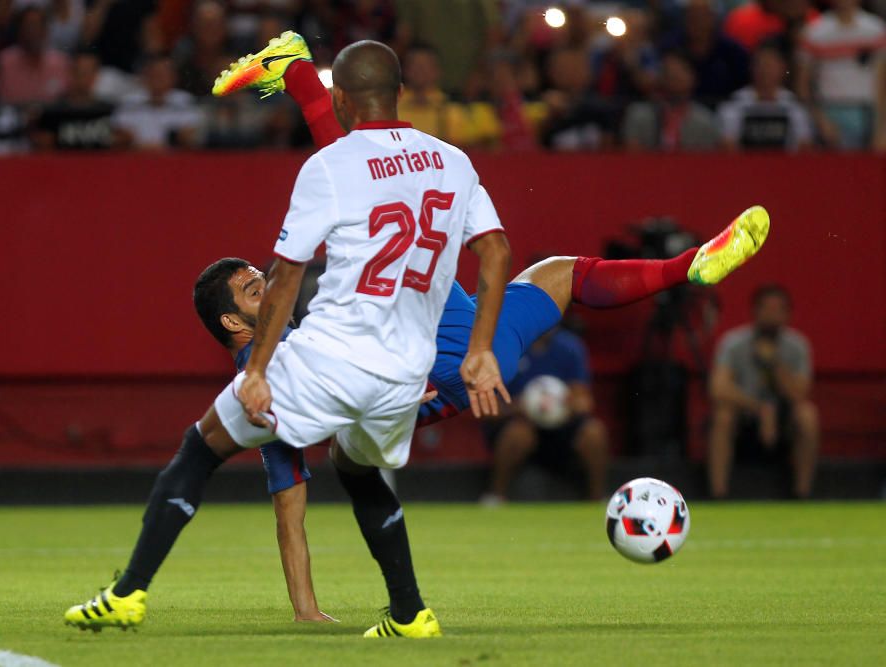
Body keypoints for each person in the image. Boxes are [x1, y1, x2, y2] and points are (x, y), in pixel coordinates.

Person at [205, 33, 771, 623]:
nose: (264, 289)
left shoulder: (268, 377)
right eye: (252, 289)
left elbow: (289, 500)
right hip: (453, 326)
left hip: (441, 354)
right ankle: (687, 266)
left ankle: (296, 73)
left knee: (536, 267)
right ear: (231, 321)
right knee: (560, 272)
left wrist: (306, 609)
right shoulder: (266, 370)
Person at [65, 36, 515, 640]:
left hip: (332, 355)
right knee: (355, 468)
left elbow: (284, 276)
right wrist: (481, 349)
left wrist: (256, 370)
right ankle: (409, 613)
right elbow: (496, 250)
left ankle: (126, 595)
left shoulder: (329, 166)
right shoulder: (454, 161)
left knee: (200, 447)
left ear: (345, 102)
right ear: (401, 94)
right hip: (408, 371)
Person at [708, 285, 819, 500]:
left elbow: (800, 394)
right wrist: (760, 409)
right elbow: (718, 388)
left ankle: (802, 494)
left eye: (778, 310)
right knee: (723, 416)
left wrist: (772, 363)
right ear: (755, 311)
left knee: (808, 415)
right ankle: (718, 495)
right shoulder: (733, 343)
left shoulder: (797, 346)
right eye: (767, 309)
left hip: (784, 419)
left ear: (788, 314)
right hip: (745, 416)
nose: (772, 316)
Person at [480, 327, 609, 504]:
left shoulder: (570, 347)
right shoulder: (508, 347)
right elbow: (488, 410)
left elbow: (584, 401)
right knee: (517, 434)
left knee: (594, 433)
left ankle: (597, 498)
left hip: (563, 426)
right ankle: (495, 495)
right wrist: (520, 407)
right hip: (520, 423)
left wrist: (567, 405)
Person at [796, 0, 886, 150]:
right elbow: (802, 84)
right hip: (828, 110)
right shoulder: (814, 31)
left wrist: (882, 126)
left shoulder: (876, 30)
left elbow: (882, 81)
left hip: (866, 111)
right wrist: (818, 118)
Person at [718, 45, 813, 151]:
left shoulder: (794, 105)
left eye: (770, 66)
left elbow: (804, 144)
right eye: (761, 65)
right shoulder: (735, 103)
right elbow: (728, 143)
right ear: (752, 69)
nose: (765, 71)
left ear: (782, 69)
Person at [622, 51, 720, 151]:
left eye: (681, 71)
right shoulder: (639, 115)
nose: (675, 76)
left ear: (693, 77)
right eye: (669, 71)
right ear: (660, 77)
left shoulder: (705, 121)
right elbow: (632, 155)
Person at [32, 51, 121, 151]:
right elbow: (44, 147)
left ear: (96, 75)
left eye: (89, 71)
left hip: (100, 165)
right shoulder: (54, 110)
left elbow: (120, 141)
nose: (84, 77)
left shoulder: (107, 109)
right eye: (80, 71)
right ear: (71, 72)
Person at [111, 54, 202, 151]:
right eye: (154, 73)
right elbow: (120, 136)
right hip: (135, 158)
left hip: (175, 159)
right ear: (145, 75)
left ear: (174, 77)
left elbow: (190, 137)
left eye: (163, 74)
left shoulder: (185, 101)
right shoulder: (129, 102)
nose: (159, 78)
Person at [0, 6, 69, 105]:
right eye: (28, 26)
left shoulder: (61, 63)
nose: (33, 32)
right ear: (20, 30)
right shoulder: (4, 61)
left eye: (37, 26)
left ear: (45, 30)